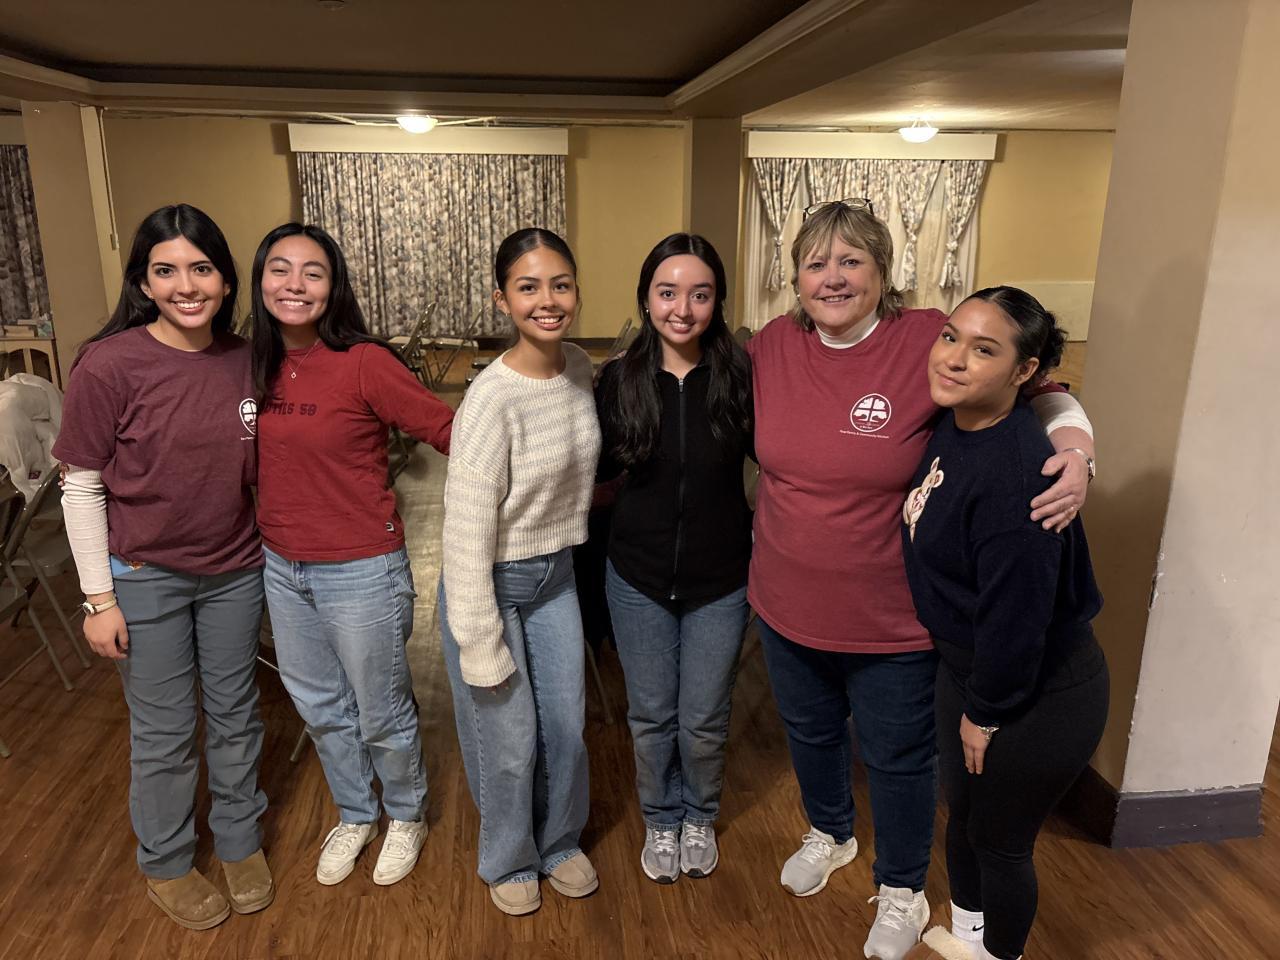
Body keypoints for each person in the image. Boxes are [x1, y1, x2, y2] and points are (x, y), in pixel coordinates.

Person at [746, 200, 1096, 960]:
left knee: (898, 758)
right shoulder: (773, 344)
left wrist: (1076, 450)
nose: (832, 278)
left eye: (851, 261)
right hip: (783, 598)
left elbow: (1040, 385)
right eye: (815, 263)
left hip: (891, 618)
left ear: (882, 272)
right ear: (794, 277)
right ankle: (830, 831)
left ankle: (902, 885)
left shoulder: (929, 339)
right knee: (809, 732)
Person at [53, 204, 272, 930]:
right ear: (144, 284)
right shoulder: (109, 364)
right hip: (143, 576)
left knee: (236, 714)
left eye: (201, 268)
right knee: (166, 730)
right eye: (166, 271)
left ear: (225, 279)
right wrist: (97, 599)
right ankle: (168, 861)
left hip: (233, 570)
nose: (186, 286)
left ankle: (239, 841)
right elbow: (81, 485)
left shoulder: (246, 359)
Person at [899, 287, 1108, 960]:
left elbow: (1017, 622)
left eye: (984, 349)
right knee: (963, 820)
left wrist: (984, 713)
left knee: (999, 842)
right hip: (968, 668)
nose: (954, 358)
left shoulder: (1020, 475)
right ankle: (969, 941)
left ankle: (1000, 954)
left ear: (1024, 371)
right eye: (951, 336)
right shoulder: (958, 420)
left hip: (1038, 690)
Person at [250, 223, 454, 887]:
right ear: (259, 282)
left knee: (381, 710)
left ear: (333, 286)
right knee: (320, 708)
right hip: (282, 567)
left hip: (362, 569)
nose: (295, 284)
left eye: (312, 272)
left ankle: (406, 814)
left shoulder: (365, 362)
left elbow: (448, 429)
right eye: (280, 269)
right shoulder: (251, 364)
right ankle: (356, 813)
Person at [438, 227, 602, 916]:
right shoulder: (490, 398)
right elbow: (464, 534)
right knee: (508, 742)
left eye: (560, 285)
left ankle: (558, 842)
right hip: (491, 582)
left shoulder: (580, 369)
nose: (547, 300)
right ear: (502, 299)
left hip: (556, 575)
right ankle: (508, 856)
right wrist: (478, 641)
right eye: (528, 287)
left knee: (565, 727)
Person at [596, 233, 753, 883]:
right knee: (652, 716)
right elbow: (593, 468)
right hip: (637, 577)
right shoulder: (619, 378)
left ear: (718, 301)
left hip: (722, 580)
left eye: (700, 294)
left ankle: (699, 814)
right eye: (667, 293)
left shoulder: (742, 376)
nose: (682, 309)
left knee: (705, 720)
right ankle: (661, 817)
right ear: (646, 298)